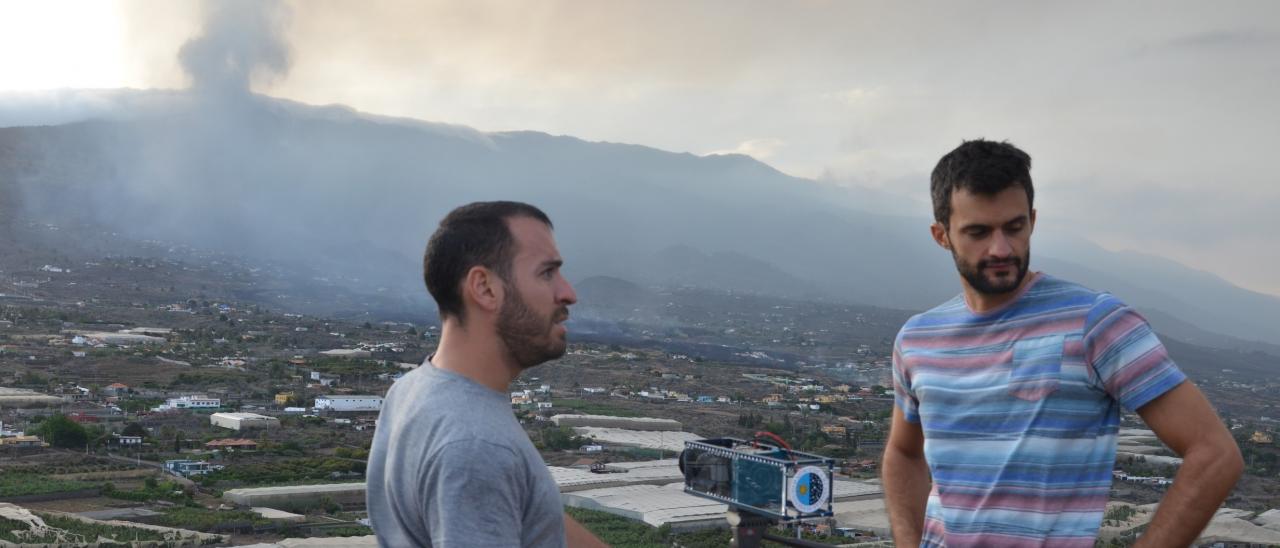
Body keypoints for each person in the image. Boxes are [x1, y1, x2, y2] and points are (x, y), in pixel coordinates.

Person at [881, 140, 1243, 547]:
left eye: (1014, 227)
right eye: (979, 232)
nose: (1001, 248)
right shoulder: (917, 339)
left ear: (1032, 220)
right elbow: (903, 453)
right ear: (941, 235)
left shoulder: (1096, 323)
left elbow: (1214, 452)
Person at [366, 201, 606, 547]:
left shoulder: (413, 388)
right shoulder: (477, 445)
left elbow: (533, 515)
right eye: (546, 273)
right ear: (485, 288)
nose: (568, 293)